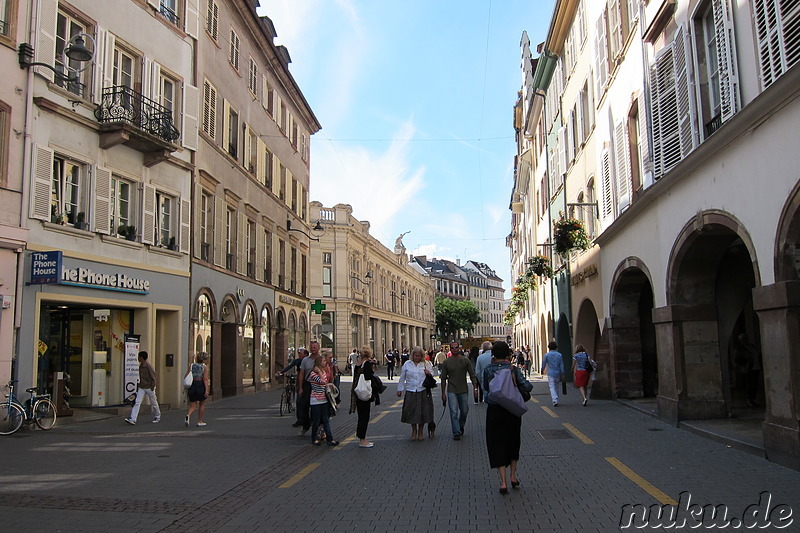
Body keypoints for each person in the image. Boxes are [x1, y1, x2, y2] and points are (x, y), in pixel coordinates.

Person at [484, 341, 531, 495]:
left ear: (493, 355)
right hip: (512, 409)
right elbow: (527, 387)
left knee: (497, 442)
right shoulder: (513, 369)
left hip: (495, 409)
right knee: (513, 440)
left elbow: (486, 387)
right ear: (507, 354)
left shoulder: (488, 369)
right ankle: (513, 476)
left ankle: (503, 482)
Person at [440, 341, 479, 440]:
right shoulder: (446, 362)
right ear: (450, 349)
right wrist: (443, 393)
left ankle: (460, 425)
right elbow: (443, 378)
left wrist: (475, 388)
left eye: (456, 347)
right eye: (452, 348)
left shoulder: (465, 360)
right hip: (451, 390)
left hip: (463, 389)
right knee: (453, 412)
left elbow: (472, 375)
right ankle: (456, 432)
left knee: (464, 411)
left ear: (459, 348)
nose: (454, 349)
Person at [396, 346, 435, 440]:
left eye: (419, 356)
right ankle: (414, 430)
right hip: (411, 390)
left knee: (423, 411)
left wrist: (428, 373)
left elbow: (432, 374)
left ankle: (421, 431)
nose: (417, 358)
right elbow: (402, 377)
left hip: (422, 390)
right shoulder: (407, 364)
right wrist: (399, 389)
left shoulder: (426, 364)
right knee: (411, 411)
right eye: (415, 356)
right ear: (412, 355)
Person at [308, 353, 339, 446]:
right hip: (315, 400)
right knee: (316, 421)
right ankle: (314, 438)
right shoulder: (313, 374)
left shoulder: (323, 372)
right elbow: (322, 381)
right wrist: (320, 372)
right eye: (324, 361)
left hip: (324, 400)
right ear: (319, 363)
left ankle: (330, 438)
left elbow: (325, 382)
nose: (325, 362)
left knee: (326, 420)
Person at [350, 346, 378, 447]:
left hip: (358, 392)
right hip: (364, 392)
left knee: (361, 416)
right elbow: (368, 377)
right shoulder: (366, 364)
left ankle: (361, 437)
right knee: (364, 417)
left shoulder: (358, 364)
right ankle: (362, 439)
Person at [125, 351, 161, 425]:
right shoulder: (141, 366)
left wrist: (152, 386)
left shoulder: (148, 366)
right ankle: (133, 419)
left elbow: (153, 376)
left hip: (149, 387)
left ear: (142, 358)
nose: (137, 358)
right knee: (137, 402)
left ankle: (157, 415)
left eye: (138, 357)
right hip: (142, 387)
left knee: (153, 402)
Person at [277, 348, 307, 427]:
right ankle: (300, 419)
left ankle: (306, 419)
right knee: (299, 401)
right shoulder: (297, 361)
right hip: (300, 382)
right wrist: (281, 372)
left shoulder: (308, 361)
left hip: (307, 382)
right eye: (299, 353)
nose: (299, 355)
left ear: (305, 355)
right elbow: (289, 366)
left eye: (301, 353)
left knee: (306, 403)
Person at [297, 341, 320, 436]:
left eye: (315, 347)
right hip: (307, 385)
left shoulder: (321, 359)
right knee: (304, 406)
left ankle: (318, 429)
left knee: (317, 408)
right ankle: (306, 426)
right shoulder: (305, 360)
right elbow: (301, 373)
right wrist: (300, 387)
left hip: (318, 385)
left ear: (318, 348)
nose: (313, 348)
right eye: (312, 347)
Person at [733, 333, 762, 407]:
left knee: (755, 384)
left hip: (756, 367)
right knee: (749, 384)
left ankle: (753, 399)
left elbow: (757, 353)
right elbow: (737, 359)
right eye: (743, 339)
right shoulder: (740, 348)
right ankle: (749, 400)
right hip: (748, 368)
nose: (745, 340)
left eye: (746, 338)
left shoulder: (751, 346)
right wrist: (747, 361)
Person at [185, 352, 210, 426]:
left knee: (192, 405)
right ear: (204, 360)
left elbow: (186, 375)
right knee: (201, 403)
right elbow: (205, 379)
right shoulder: (204, 367)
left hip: (192, 385)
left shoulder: (192, 365)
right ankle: (200, 421)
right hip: (200, 384)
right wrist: (206, 390)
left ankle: (188, 415)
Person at [541, 341, 565, 407]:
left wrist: (542, 369)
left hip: (551, 373)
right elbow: (561, 365)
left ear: (549, 347)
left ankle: (555, 399)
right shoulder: (559, 355)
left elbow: (544, 363)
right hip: (558, 372)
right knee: (556, 386)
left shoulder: (547, 355)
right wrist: (562, 372)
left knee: (552, 386)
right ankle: (556, 398)